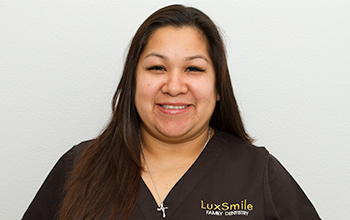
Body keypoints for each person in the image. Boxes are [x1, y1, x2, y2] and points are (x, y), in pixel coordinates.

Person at [22, 4, 321, 220]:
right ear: (133, 81)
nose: (174, 86)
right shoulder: (76, 168)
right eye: (157, 68)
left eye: (193, 68)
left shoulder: (258, 173)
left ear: (218, 87)